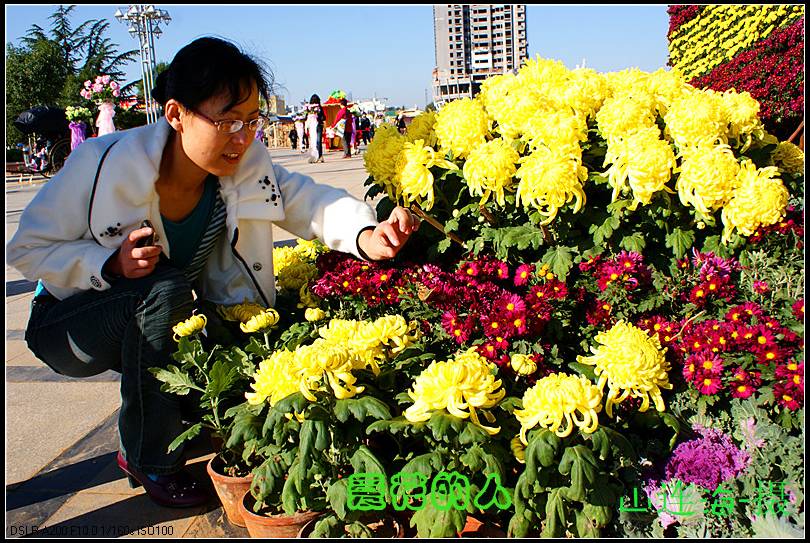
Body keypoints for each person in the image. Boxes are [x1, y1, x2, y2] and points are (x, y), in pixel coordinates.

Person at [6, 36, 420, 509]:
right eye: (226, 121)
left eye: (251, 120)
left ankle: (147, 430)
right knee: (162, 289)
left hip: (158, 314)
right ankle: (149, 459)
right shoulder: (102, 163)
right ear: (176, 113)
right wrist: (108, 264)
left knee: (214, 369)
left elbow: (307, 202)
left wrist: (367, 235)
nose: (242, 137)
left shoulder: (244, 166)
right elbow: (27, 248)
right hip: (68, 323)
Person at [306, 94, 325, 163]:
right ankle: (318, 156)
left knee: (315, 141)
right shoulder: (311, 108)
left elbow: (306, 117)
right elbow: (324, 117)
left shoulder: (315, 108)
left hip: (315, 125)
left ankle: (318, 156)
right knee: (317, 141)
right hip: (317, 125)